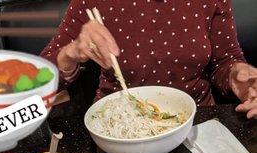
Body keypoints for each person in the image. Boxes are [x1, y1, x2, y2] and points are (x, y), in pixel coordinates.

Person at [41, 0, 257, 118]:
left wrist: (236, 76)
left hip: (197, 120)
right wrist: (70, 53)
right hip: (118, 124)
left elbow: (225, 61)